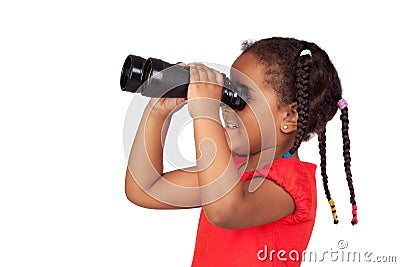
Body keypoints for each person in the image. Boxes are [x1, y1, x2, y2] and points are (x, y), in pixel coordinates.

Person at [124, 37, 358, 266]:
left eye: (242, 95)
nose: (225, 104)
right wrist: (157, 113)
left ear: (289, 116)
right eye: (227, 91)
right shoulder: (232, 167)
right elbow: (145, 189)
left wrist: (205, 112)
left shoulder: (292, 184)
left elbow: (225, 210)